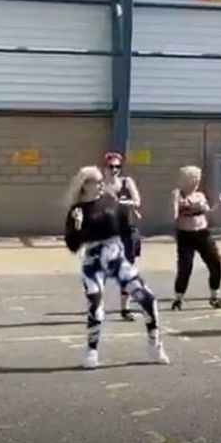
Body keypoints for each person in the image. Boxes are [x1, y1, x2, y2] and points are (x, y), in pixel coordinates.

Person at [63, 165, 168, 369]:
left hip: (116, 256)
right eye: (97, 181)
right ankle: (92, 350)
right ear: (85, 185)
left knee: (147, 298)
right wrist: (76, 229)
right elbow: (72, 244)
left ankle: (155, 345)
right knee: (96, 303)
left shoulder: (110, 201)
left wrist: (133, 240)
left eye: (103, 180)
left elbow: (124, 227)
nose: (102, 184)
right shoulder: (77, 210)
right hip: (93, 261)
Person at [170, 165, 221, 311]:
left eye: (197, 179)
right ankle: (178, 298)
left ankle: (214, 295)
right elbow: (173, 213)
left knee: (215, 262)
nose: (196, 182)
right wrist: (178, 210)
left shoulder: (200, 196)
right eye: (194, 179)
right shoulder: (178, 194)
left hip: (202, 233)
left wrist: (218, 204)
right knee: (185, 267)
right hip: (185, 234)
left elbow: (207, 210)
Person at [101, 152, 143, 321]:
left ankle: (125, 308)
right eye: (111, 167)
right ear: (105, 167)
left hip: (128, 230)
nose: (115, 170)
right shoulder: (101, 186)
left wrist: (120, 203)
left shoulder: (127, 182)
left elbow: (137, 201)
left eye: (118, 167)